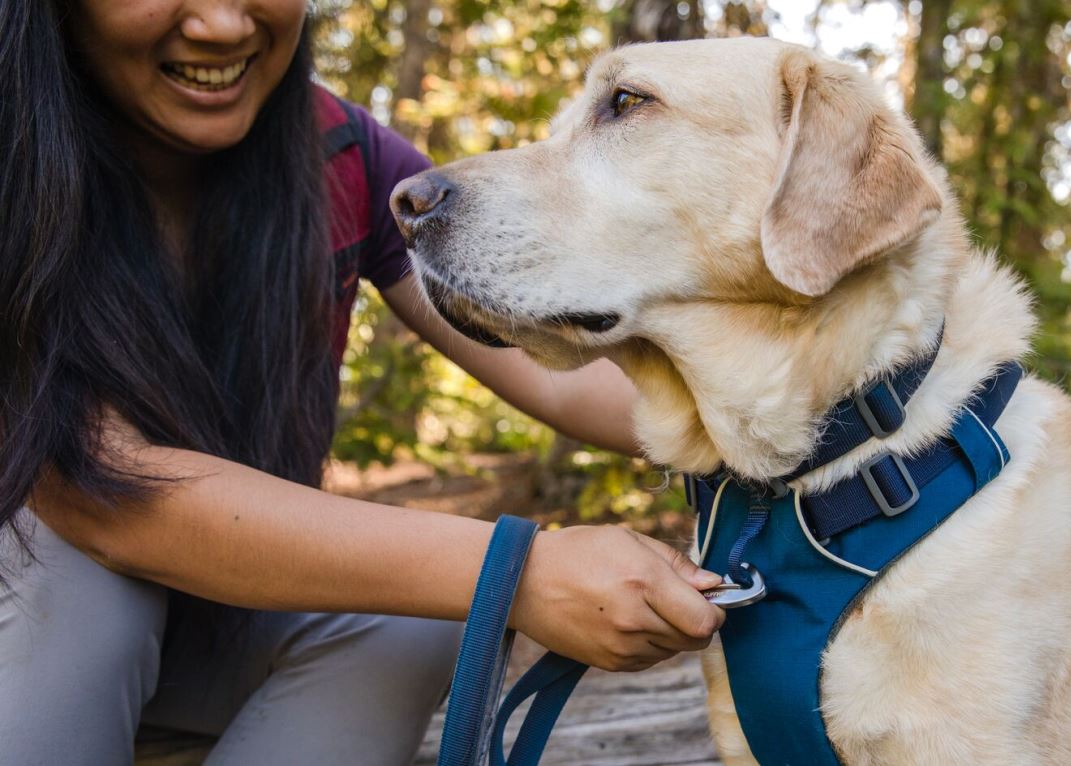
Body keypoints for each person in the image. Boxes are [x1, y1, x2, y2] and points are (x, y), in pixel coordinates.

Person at [0, 2, 725, 764]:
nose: (222, 25)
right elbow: (106, 500)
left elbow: (561, 384)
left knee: (420, 611)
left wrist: (780, 414)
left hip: (209, 634)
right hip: (40, 630)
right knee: (66, 576)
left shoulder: (339, 154)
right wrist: (521, 570)